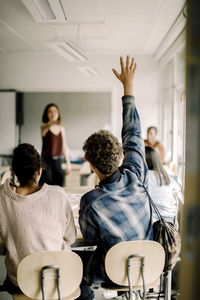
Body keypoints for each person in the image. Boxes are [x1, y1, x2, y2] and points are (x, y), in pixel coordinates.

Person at [77, 56, 152, 298]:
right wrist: (128, 88)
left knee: (75, 264)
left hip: (113, 271)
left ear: (91, 166)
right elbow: (133, 133)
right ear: (120, 156)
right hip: (147, 266)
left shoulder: (91, 201)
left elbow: (90, 239)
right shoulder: (137, 174)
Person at [0, 143, 76, 293]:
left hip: (21, 282)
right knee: (86, 291)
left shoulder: (2, 196)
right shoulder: (58, 194)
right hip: (57, 280)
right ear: (40, 170)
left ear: (14, 172)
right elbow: (71, 237)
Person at [145, 146, 180, 224]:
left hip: (153, 222)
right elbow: (177, 189)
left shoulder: (145, 176)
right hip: (170, 220)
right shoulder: (165, 176)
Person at [39, 103, 71, 187]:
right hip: (46, 162)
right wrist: (51, 123)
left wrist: (68, 163)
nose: (53, 113)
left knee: (60, 186)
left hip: (58, 162)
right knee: (46, 187)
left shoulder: (61, 128)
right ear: (47, 114)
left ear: (58, 113)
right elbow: (44, 130)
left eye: (55, 111)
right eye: (50, 112)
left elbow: (64, 146)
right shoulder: (44, 127)